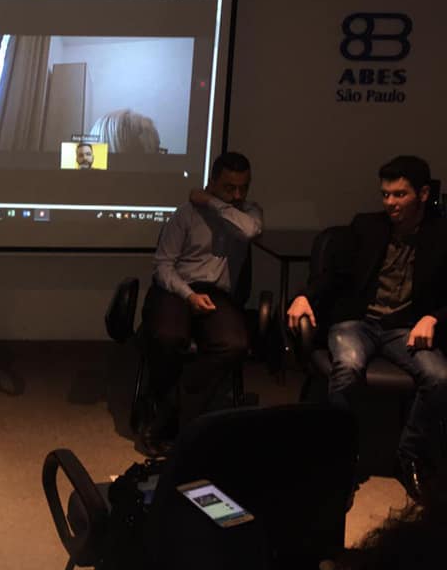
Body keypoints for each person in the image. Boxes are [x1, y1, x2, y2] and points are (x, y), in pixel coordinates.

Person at [287, 155, 447, 502]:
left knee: (439, 377)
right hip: (358, 321)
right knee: (347, 366)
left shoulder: (440, 234)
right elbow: (334, 273)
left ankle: (410, 455)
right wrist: (304, 297)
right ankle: (341, 456)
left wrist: (434, 317)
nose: (390, 202)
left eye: (400, 194)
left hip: (405, 327)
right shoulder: (367, 226)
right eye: (385, 194)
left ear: (422, 194)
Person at [138, 151, 262, 457]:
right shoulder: (185, 215)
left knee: (234, 344)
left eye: (243, 187)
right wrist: (187, 295)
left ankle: (170, 411)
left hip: (218, 293)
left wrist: (212, 202)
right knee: (168, 337)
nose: (237, 195)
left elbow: (249, 231)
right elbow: (163, 266)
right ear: (212, 181)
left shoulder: (248, 213)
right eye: (229, 187)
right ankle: (174, 414)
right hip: (176, 288)